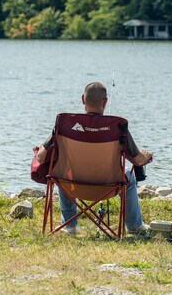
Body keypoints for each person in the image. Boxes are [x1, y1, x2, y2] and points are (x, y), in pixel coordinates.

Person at [35, 82, 153, 235]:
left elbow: (40, 157)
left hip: (71, 186)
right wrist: (147, 155)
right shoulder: (117, 126)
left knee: (62, 172)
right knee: (129, 178)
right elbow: (137, 160)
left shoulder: (65, 124)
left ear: (83, 99)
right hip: (108, 187)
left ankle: (70, 226)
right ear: (105, 102)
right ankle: (134, 227)